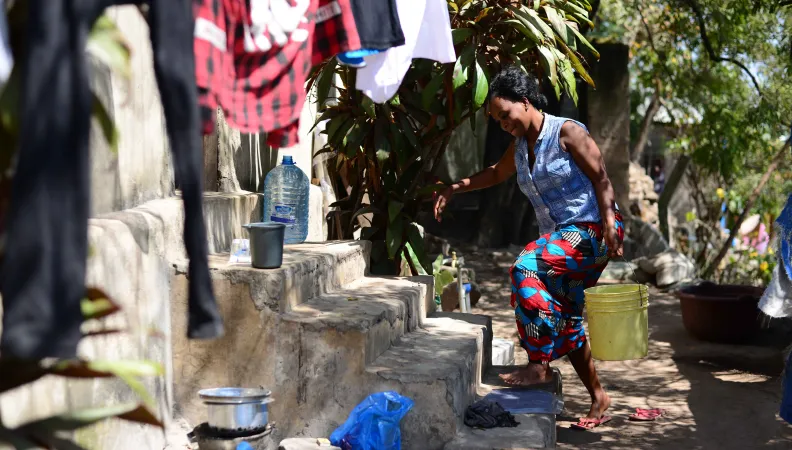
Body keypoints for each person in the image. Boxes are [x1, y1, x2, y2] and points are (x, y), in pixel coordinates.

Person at [433, 66, 624, 430]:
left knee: (526, 268)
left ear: (524, 102)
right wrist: (453, 188)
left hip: (591, 229)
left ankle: (538, 365)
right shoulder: (520, 148)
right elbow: (493, 173)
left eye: (506, 115)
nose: (504, 124)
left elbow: (601, 177)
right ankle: (599, 397)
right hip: (560, 242)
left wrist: (611, 222)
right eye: (498, 121)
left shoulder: (567, 131)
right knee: (565, 317)